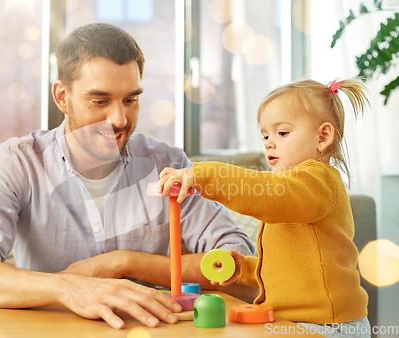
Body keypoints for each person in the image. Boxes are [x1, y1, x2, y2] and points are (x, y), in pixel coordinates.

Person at [0, 23, 256, 330]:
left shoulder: (167, 163)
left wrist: (124, 262)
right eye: (100, 101)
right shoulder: (20, 161)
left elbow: (241, 265)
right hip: (48, 329)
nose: (119, 119)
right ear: (62, 97)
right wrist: (68, 287)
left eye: (130, 99)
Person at [157, 79, 371, 337]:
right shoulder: (294, 190)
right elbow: (288, 266)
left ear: (323, 136)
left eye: (282, 133)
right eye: (265, 135)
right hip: (295, 321)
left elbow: (267, 194)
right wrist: (245, 269)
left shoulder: (317, 181)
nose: (269, 143)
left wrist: (204, 175)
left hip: (327, 325)